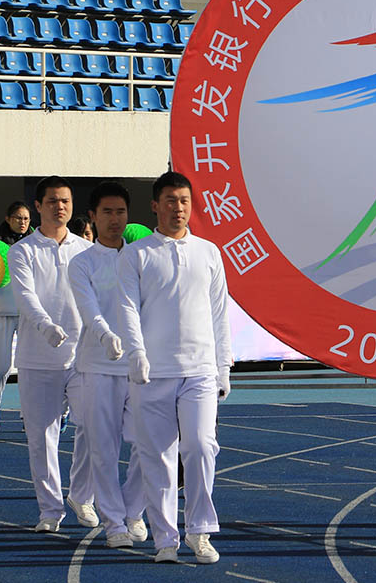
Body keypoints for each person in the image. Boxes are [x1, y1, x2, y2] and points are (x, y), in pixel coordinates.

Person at [116, 171, 231, 564]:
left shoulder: (209, 252)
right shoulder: (137, 254)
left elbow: (219, 312)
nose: (177, 208)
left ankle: (200, 530)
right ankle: (166, 538)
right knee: (158, 457)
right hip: (153, 373)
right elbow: (127, 309)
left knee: (200, 447)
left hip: (199, 370)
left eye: (184, 201)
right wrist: (137, 353)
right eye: (170, 200)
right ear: (155, 205)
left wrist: (223, 366)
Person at [10, 176, 97, 532]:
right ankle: (49, 510)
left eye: (65, 201)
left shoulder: (86, 251)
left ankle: (82, 495)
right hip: (37, 358)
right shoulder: (23, 251)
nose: (59, 207)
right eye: (52, 201)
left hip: (83, 357)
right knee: (42, 438)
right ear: (38, 206)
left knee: (94, 426)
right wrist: (45, 326)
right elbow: (25, 296)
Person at [69, 182, 148, 548]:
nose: (115, 219)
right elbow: (88, 308)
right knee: (103, 448)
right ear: (93, 216)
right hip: (98, 366)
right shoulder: (82, 262)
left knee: (148, 443)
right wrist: (104, 335)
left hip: (139, 366)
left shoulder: (141, 258)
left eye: (121, 212)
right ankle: (114, 523)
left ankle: (134, 511)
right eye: (107, 212)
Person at [0, 201, 32, 430]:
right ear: (8, 219)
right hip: (2, 310)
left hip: (28, 313)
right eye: (18, 218)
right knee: (1, 367)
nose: (22, 222)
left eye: (26, 218)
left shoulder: (35, 244)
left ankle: (28, 414)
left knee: (28, 367)